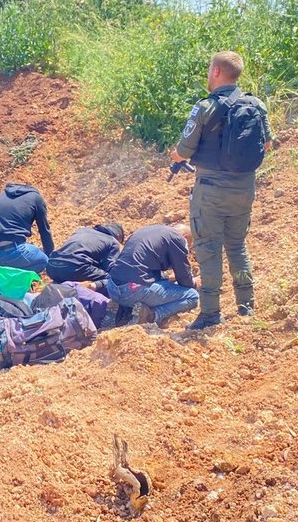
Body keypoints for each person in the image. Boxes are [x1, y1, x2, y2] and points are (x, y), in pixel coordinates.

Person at [172, 50, 272, 330]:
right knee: (238, 246)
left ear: (216, 72)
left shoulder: (205, 107)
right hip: (244, 188)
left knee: (209, 249)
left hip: (211, 190)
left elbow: (183, 149)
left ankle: (210, 313)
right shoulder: (256, 104)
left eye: (209, 69)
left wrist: (176, 156)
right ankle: (246, 306)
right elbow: (266, 145)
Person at [105, 224, 199, 328]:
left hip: (112, 287)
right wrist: (194, 282)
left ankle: (125, 310)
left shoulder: (145, 231)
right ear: (185, 237)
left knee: (161, 280)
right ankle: (152, 315)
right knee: (192, 296)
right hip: (134, 291)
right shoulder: (177, 238)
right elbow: (184, 278)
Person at [0, 182, 54, 273]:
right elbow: (44, 231)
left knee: (26, 249)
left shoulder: (3, 195)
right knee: (43, 260)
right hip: (11, 252)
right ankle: (15, 276)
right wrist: (50, 256)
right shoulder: (36, 198)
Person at [46, 223, 125, 286]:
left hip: (51, 267)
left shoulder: (83, 230)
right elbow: (110, 267)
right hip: (73, 269)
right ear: (118, 236)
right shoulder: (113, 241)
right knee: (111, 280)